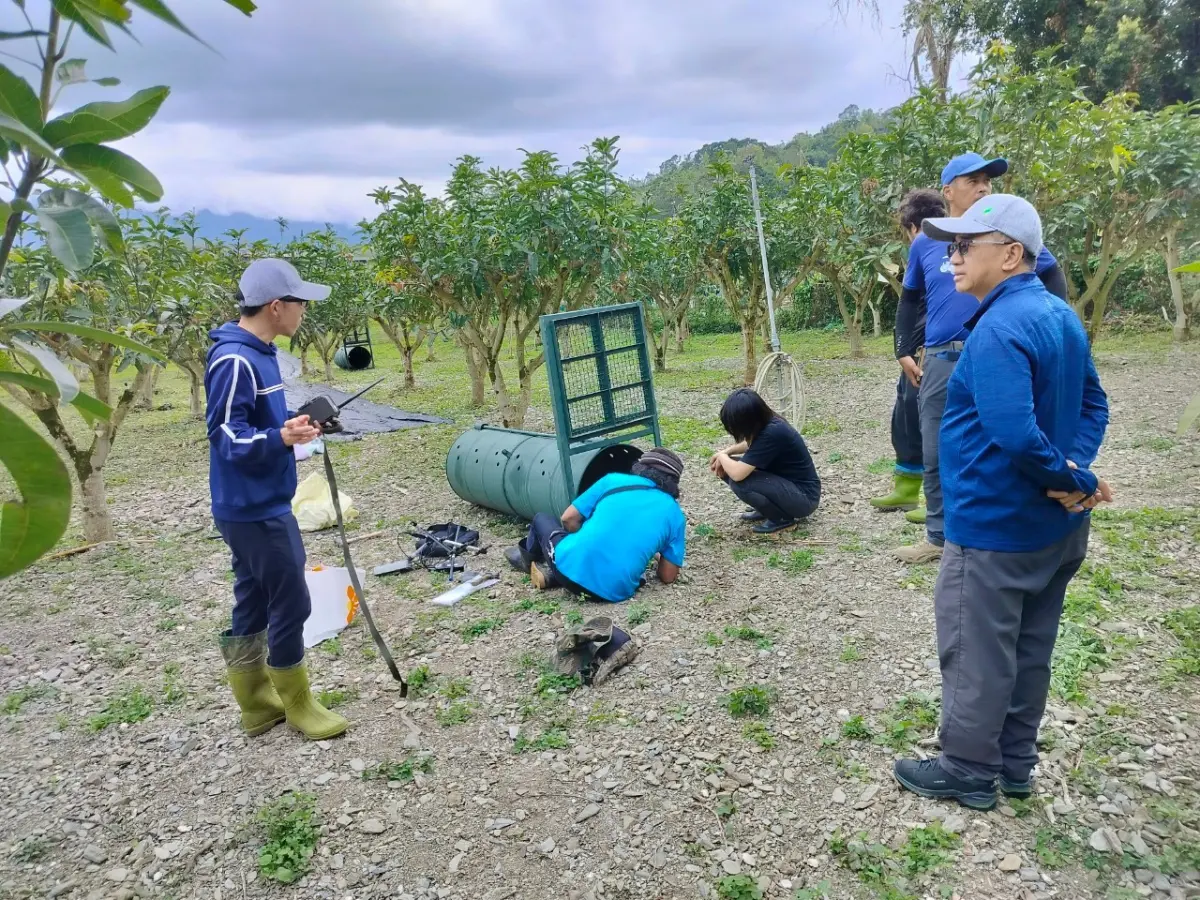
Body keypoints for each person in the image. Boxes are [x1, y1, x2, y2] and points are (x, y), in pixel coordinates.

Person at [891, 195, 1111, 811]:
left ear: (1011, 254)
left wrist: (1066, 475)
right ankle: (1015, 764)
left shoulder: (998, 329)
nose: (950, 258)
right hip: (1054, 529)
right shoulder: (1059, 315)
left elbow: (1013, 431)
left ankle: (965, 768)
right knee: (1031, 648)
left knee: (977, 649)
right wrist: (1074, 475)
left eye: (965, 246)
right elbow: (1094, 404)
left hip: (994, 529)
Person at [892, 153, 1070, 564]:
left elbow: (1051, 275)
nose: (984, 186)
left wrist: (1052, 331)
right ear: (948, 190)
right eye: (973, 180)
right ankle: (938, 536)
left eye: (988, 181)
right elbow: (910, 298)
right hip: (940, 358)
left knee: (1005, 438)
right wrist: (902, 348)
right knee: (936, 447)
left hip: (994, 353)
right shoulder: (925, 241)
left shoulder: (1004, 235)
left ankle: (1001, 528)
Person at [206, 258, 349, 742]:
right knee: (291, 599)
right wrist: (279, 440)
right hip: (253, 507)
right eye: (300, 302)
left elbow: (258, 420)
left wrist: (293, 425)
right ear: (276, 306)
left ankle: (256, 706)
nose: (304, 311)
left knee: (253, 595)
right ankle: (297, 701)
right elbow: (226, 436)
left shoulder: (260, 351)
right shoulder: (234, 360)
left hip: (256, 500)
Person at [504, 448, 687, 604]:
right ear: (673, 485)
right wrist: (656, 553)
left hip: (569, 571)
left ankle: (531, 563)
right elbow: (668, 576)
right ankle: (554, 574)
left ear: (641, 467)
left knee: (541, 519)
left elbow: (568, 519)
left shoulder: (613, 481)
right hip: (617, 591)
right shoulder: (675, 515)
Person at [869, 189, 945, 516]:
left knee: (930, 418)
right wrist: (902, 349)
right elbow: (909, 303)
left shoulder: (951, 246)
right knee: (905, 414)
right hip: (914, 351)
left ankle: (934, 498)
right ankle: (906, 489)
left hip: (936, 351)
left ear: (912, 227)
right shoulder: (923, 252)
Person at [710, 388, 821, 534]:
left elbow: (738, 474)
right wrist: (725, 453)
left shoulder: (773, 432)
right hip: (790, 487)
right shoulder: (767, 424)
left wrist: (722, 457)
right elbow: (751, 445)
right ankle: (767, 509)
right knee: (728, 467)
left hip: (804, 498)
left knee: (740, 482)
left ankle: (781, 518)